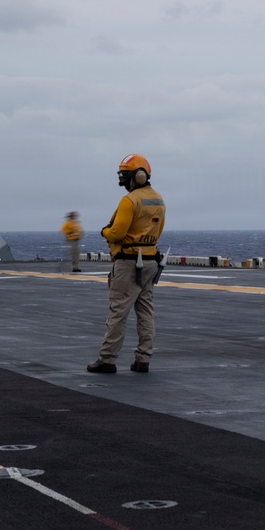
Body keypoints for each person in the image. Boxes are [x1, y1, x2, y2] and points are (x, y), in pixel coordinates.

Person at [87, 154, 166, 374]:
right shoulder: (159, 199)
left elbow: (117, 232)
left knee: (118, 311)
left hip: (129, 263)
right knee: (146, 312)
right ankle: (143, 359)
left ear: (137, 176)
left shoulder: (129, 201)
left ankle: (108, 359)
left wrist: (105, 232)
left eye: (125, 175)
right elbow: (158, 231)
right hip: (150, 261)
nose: (123, 180)